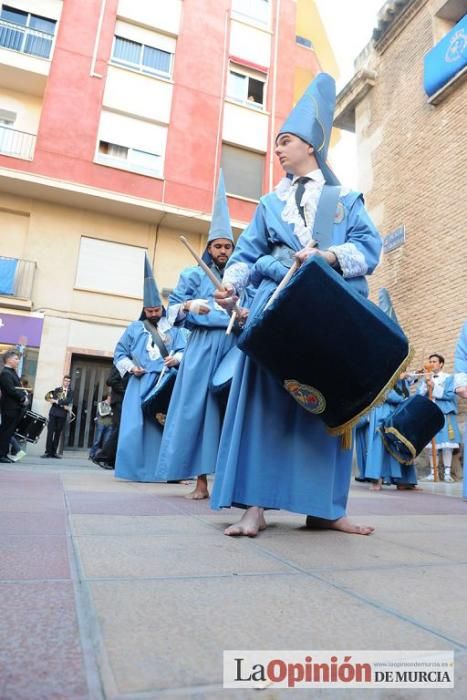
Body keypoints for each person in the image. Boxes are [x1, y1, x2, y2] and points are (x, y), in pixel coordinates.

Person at [211, 72, 382, 536]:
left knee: (328, 404)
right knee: (265, 402)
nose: (279, 149)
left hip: (330, 311)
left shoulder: (345, 199)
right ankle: (254, 507)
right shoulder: (269, 204)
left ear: (311, 144)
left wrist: (327, 254)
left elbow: (370, 248)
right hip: (276, 308)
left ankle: (326, 507)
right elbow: (245, 256)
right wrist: (230, 288)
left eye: (285, 140)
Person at [155, 171, 236, 499]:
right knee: (199, 410)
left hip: (231, 347)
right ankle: (200, 482)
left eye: (228, 246)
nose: (223, 251)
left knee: (232, 411)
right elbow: (170, 313)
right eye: (218, 245)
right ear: (208, 247)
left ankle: (232, 484)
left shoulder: (237, 276)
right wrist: (191, 304)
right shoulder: (190, 274)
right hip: (202, 348)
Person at [114, 254, 186, 482]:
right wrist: (131, 367)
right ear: (144, 310)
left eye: (157, 310)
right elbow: (119, 353)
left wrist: (176, 359)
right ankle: (136, 471)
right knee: (135, 428)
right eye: (150, 311)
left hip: (165, 383)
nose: (154, 314)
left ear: (162, 309)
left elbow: (185, 351)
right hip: (139, 383)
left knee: (164, 427)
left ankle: (167, 472)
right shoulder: (134, 328)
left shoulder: (174, 330)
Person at [365, 374, 418, 490]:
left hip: (397, 411)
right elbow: (383, 392)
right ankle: (376, 478)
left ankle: (405, 480)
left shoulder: (402, 377)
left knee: (401, 443)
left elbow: (406, 393)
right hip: (381, 411)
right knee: (379, 443)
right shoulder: (382, 371)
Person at [418, 353, 461, 482]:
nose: (432, 363)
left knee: (447, 445)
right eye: (430, 361)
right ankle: (433, 473)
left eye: (435, 361)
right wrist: (426, 385)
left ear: (441, 364)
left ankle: (447, 474)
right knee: (432, 445)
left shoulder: (449, 378)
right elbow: (419, 395)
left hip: (445, 414)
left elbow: (450, 395)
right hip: (431, 414)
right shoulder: (425, 378)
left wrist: (434, 386)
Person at [92, 365, 129, 470]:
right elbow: (110, 380)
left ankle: (111, 461)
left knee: (119, 430)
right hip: (119, 401)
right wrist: (126, 391)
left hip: (121, 401)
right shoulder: (123, 363)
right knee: (118, 430)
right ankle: (102, 457)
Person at [0, 349, 28, 463]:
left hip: (14, 407)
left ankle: (4, 454)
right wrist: (22, 398)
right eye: (16, 359)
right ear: (9, 359)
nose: (18, 361)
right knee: (6, 432)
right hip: (9, 407)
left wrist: (24, 395)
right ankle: (1, 455)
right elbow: (11, 390)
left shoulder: (11, 372)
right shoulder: (5, 373)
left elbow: (17, 388)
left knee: (9, 432)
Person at [41, 375, 73, 458]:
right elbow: (55, 399)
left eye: (68, 381)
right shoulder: (57, 390)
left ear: (70, 382)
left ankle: (54, 452)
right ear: (63, 381)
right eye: (65, 380)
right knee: (50, 432)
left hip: (62, 415)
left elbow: (67, 401)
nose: (67, 382)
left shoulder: (71, 392)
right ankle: (48, 452)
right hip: (53, 414)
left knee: (58, 433)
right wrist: (62, 404)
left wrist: (58, 402)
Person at [89, 393, 113, 460]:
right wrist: (110, 413)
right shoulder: (101, 403)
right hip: (101, 424)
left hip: (109, 425)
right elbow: (102, 413)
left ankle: (102, 456)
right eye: (111, 397)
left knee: (106, 442)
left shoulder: (113, 405)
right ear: (108, 397)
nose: (111, 399)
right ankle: (92, 455)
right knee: (97, 440)